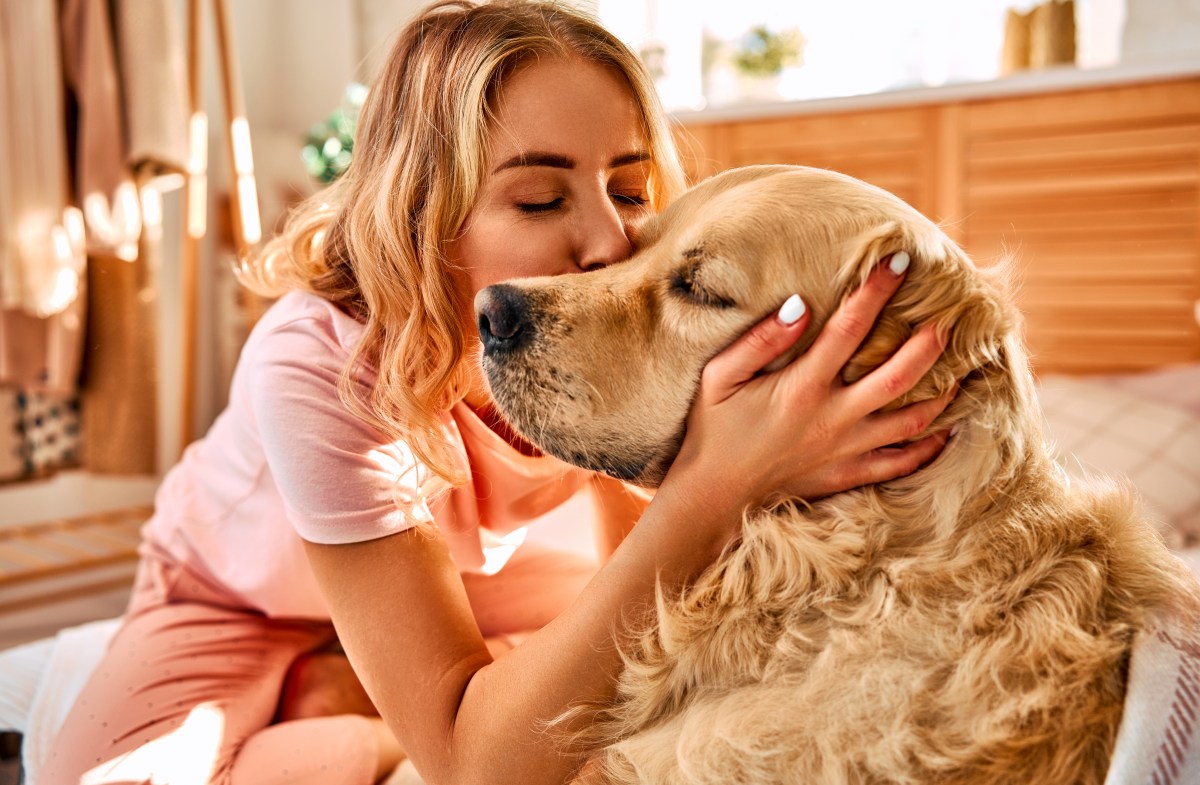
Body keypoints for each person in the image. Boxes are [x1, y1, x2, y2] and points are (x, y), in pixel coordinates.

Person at [43, 2, 953, 784]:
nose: (608, 240)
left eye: (629, 188)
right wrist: (714, 485)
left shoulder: (629, 316)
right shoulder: (318, 364)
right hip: (245, 596)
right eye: (539, 201)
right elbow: (472, 768)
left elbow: (664, 576)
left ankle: (377, 679)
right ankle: (364, 712)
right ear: (426, 216)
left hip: (505, 596)